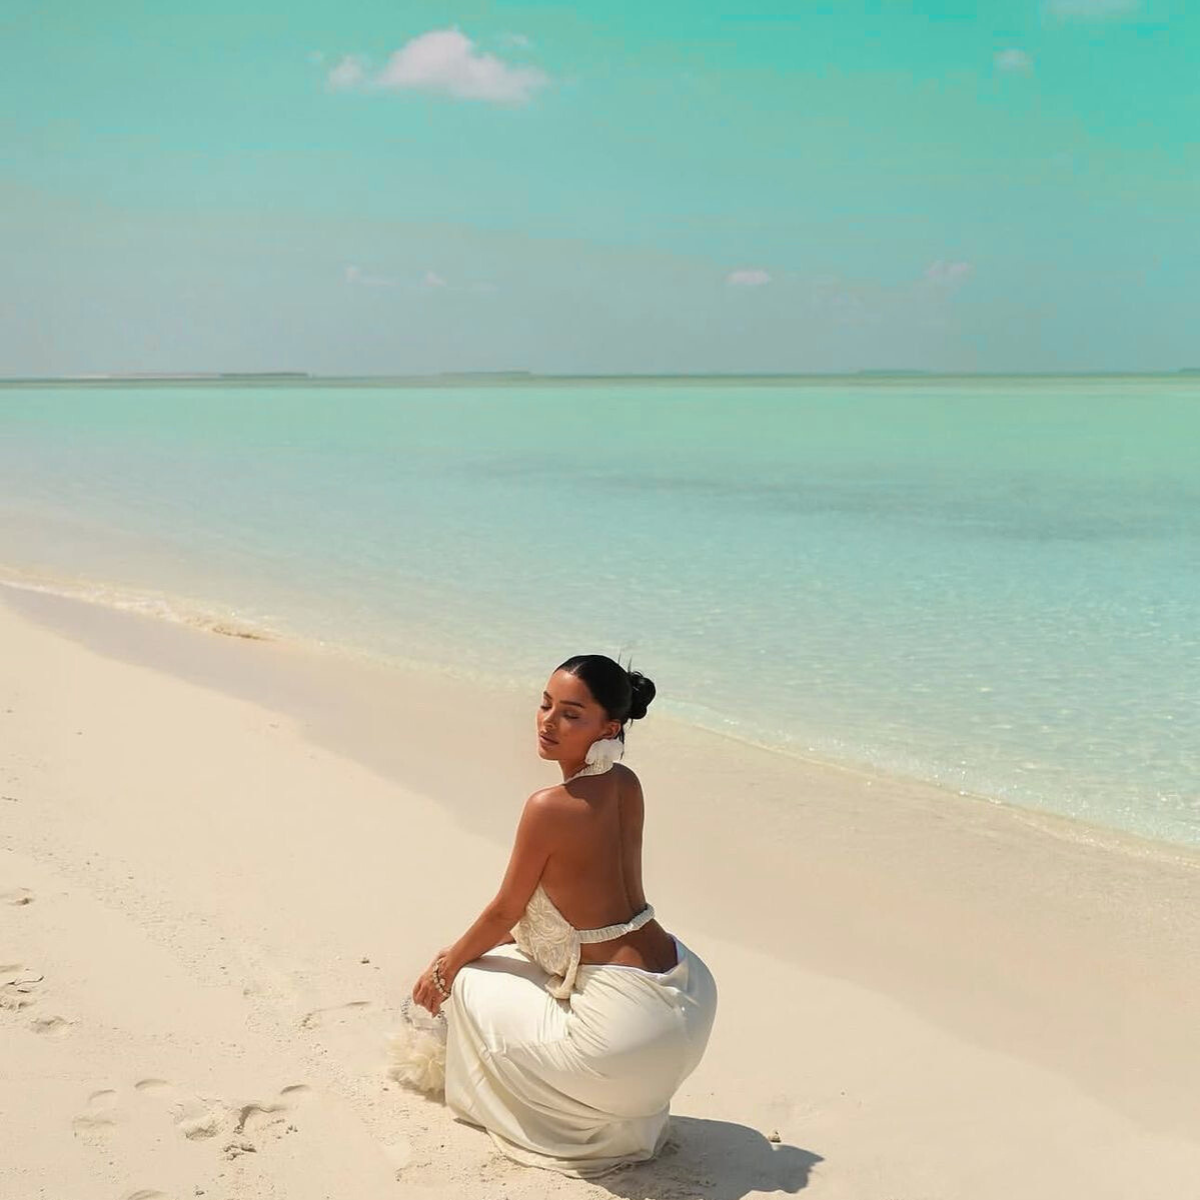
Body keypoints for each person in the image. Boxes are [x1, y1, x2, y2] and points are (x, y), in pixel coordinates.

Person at [390, 654, 718, 1178]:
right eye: (544, 705)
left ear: (609, 727)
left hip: (631, 1040)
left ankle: (563, 1113)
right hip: (689, 997)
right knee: (515, 963)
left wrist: (444, 969)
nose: (547, 722)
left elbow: (505, 911)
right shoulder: (627, 783)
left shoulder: (549, 805)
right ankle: (616, 1104)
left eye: (570, 714)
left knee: (473, 976)